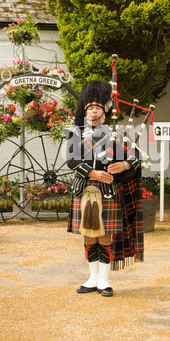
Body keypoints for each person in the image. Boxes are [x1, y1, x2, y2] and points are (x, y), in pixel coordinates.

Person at [65, 80, 144, 297]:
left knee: (105, 236)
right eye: (90, 109)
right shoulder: (75, 134)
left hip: (108, 192)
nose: (93, 112)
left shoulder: (117, 133)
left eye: (97, 109)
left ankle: (104, 280)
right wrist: (93, 173)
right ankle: (92, 278)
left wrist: (124, 164)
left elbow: (136, 158)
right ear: (84, 111)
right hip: (84, 190)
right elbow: (71, 161)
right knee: (89, 236)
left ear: (104, 112)